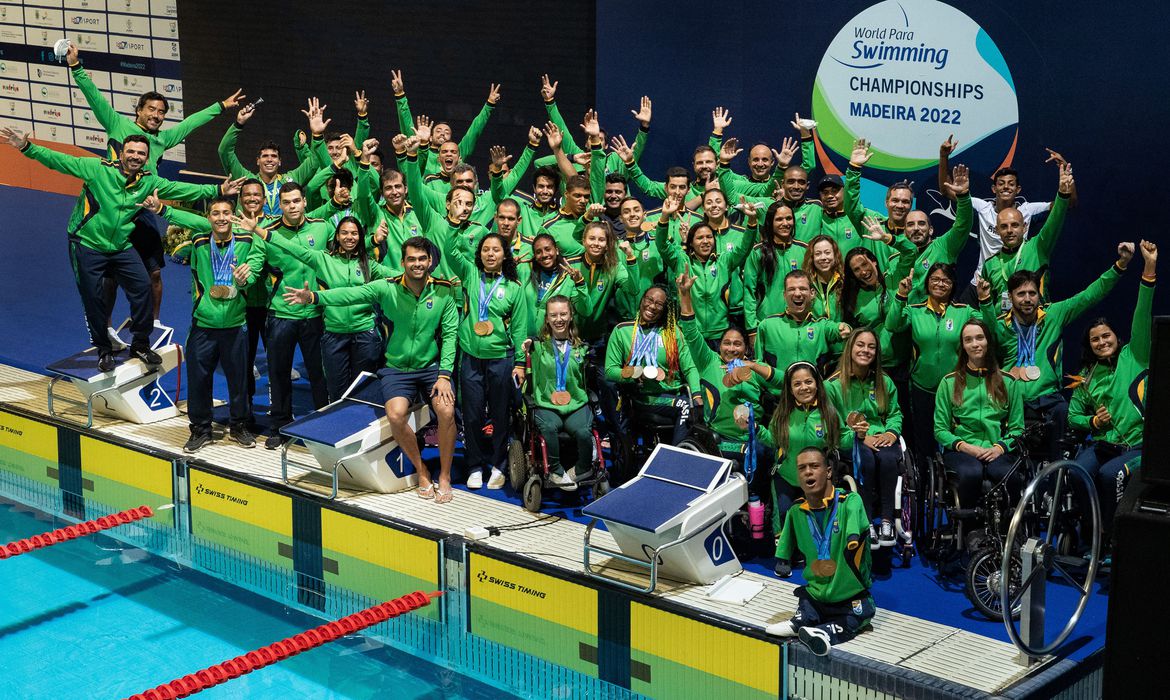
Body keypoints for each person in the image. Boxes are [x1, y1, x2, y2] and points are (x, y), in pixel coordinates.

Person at [2, 127, 240, 371]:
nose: (135, 156)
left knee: (143, 287)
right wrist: (26, 147)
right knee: (94, 298)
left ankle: (140, 343)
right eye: (131, 151)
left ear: (147, 158)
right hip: (87, 243)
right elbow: (59, 161)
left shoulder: (149, 181)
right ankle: (103, 350)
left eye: (141, 153)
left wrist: (217, 190)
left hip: (120, 247)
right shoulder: (98, 169)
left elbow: (180, 188)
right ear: (121, 153)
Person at [64, 41, 245, 330]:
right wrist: (76, 67)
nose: (156, 115)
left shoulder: (161, 139)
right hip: (111, 211)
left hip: (143, 210)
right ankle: (106, 326)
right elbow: (95, 98)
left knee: (155, 274)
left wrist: (221, 106)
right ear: (138, 110)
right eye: (151, 109)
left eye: (161, 112)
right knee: (109, 277)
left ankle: (153, 322)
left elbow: (190, 124)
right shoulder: (117, 126)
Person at [284, 236, 459, 503]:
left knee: (446, 411)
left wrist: (445, 374)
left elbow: (450, 334)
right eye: (411, 259)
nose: (417, 264)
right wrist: (314, 297)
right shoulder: (386, 288)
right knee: (396, 414)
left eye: (422, 259)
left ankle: (444, 476)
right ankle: (422, 471)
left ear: (431, 261)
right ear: (402, 262)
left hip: (431, 368)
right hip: (396, 368)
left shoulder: (444, 291)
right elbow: (350, 294)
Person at [982, 247, 1130, 461]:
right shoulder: (1000, 325)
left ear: (1039, 294)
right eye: (1021, 294)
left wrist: (1120, 266)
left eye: (1032, 293)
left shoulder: (1054, 315)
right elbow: (987, 338)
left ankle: (1057, 480)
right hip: (1013, 399)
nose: (1027, 299)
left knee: (1063, 411)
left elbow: (1090, 295)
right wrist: (986, 303)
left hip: (1048, 399)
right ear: (1011, 296)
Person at [149, 195, 264, 452]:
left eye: (226, 213)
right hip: (204, 322)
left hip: (236, 322)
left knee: (239, 379)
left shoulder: (247, 240)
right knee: (199, 378)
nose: (221, 217)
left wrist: (247, 278)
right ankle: (201, 429)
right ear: (209, 217)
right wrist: (162, 209)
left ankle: (239, 426)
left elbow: (255, 267)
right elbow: (185, 218)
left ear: (233, 216)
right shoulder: (201, 238)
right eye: (215, 213)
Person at [244, 215, 393, 403]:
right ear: (336, 236)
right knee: (337, 393)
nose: (349, 237)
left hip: (365, 335)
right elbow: (291, 248)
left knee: (363, 392)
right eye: (344, 233)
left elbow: (398, 276)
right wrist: (259, 230)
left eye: (354, 233)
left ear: (360, 237)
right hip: (333, 335)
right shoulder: (323, 260)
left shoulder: (369, 265)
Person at [1069, 241, 1156, 541]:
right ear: (1089, 345)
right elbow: (1073, 416)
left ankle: (1114, 541)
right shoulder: (1086, 376)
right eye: (1095, 339)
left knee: (1109, 476)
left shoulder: (1136, 354)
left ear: (1117, 338)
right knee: (1076, 471)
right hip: (1105, 444)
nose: (1102, 342)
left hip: (1138, 447)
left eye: (1106, 336)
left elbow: (1142, 312)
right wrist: (1093, 423)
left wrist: (1148, 268)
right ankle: (1091, 533)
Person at [439, 232, 529, 490]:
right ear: (479, 254)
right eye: (485, 250)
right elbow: (449, 249)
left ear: (505, 255)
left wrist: (520, 363)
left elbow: (521, 328)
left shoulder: (514, 288)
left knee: (501, 416)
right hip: (471, 358)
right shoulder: (470, 274)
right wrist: (455, 225)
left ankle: (500, 465)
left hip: (501, 359)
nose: (490, 254)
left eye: (496, 250)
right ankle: (475, 465)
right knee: (472, 415)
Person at [767, 446, 874, 657]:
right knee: (807, 603)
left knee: (859, 615)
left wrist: (852, 537)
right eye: (802, 468)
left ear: (828, 471)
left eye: (814, 466)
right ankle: (803, 623)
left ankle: (823, 632)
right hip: (816, 595)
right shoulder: (796, 512)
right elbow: (783, 552)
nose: (808, 472)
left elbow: (855, 522)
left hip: (850, 598)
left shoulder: (849, 503)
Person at [676, 270, 779, 485]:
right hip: (718, 440)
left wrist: (752, 366)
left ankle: (758, 510)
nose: (731, 348)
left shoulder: (753, 367)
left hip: (752, 437)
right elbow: (691, 332)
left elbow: (780, 380)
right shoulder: (709, 361)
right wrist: (685, 295)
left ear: (745, 348)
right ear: (720, 345)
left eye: (737, 343)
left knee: (770, 453)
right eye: (727, 343)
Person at [938, 136, 1075, 285]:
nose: (1006, 187)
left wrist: (1067, 174)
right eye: (1001, 183)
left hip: (1014, 284)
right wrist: (943, 157)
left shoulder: (1029, 210)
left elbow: (1068, 204)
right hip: (981, 281)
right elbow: (946, 190)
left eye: (1011, 184)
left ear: (1018, 190)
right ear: (993, 188)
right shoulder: (982, 208)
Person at [257, 182, 333, 447]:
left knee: (319, 373)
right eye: (286, 202)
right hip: (281, 315)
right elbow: (256, 264)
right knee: (278, 373)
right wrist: (244, 273)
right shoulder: (267, 234)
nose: (292, 206)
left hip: (315, 313)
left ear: (304, 202)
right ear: (280, 204)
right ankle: (279, 426)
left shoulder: (322, 227)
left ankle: (325, 425)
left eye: (296, 201)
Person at [885, 263, 978, 462]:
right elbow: (892, 324)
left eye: (946, 280)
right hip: (922, 386)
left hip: (956, 387)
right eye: (935, 279)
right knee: (924, 442)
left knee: (955, 440)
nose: (940, 284)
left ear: (953, 285)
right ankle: (925, 486)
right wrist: (901, 295)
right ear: (927, 283)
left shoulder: (964, 312)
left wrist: (986, 300)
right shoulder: (914, 311)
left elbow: (990, 330)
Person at [763, 363, 852, 566]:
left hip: (817, 479)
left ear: (817, 384)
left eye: (808, 382)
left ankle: (820, 548)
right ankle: (783, 554)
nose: (804, 387)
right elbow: (772, 440)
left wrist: (856, 433)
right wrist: (753, 428)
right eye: (797, 384)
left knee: (820, 514)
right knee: (784, 512)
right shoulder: (782, 414)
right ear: (790, 389)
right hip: (788, 474)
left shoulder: (828, 413)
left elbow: (843, 441)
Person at [934, 319, 1024, 510]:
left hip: (997, 450)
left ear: (988, 341)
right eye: (968, 340)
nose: (975, 344)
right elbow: (940, 430)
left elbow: (1017, 428)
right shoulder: (948, 383)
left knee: (1010, 476)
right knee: (971, 474)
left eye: (979, 338)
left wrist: (999, 448)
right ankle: (969, 530)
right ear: (963, 346)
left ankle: (1009, 530)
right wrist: (966, 447)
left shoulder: (1009, 382)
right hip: (962, 450)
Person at [826, 329, 904, 548]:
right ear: (850, 348)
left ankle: (887, 520)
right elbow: (832, 426)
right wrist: (859, 438)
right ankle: (867, 521)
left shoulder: (883, 381)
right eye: (860, 345)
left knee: (889, 459)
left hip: (880, 437)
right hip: (849, 440)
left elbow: (895, 413)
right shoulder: (832, 385)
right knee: (866, 460)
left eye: (871, 346)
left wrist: (891, 432)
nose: (865, 350)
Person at [604, 286, 702, 447]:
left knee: (694, 405)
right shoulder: (622, 331)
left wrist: (697, 397)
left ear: (664, 309)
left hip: (672, 393)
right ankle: (676, 458)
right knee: (685, 405)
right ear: (642, 300)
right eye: (649, 300)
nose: (652, 306)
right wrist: (635, 373)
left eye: (659, 304)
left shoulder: (672, 333)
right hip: (642, 396)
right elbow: (609, 371)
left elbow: (690, 367)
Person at [656, 196, 757, 342]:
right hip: (690, 332)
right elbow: (662, 244)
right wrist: (665, 215)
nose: (705, 241)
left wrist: (752, 220)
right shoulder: (681, 261)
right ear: (691, 242)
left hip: (721, 333)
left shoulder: (724, 261)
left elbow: (744, 248)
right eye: (699, 238)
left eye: (709, 237)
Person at [979, 163, 1074, 304]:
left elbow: (1055, 221)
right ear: (997, 231)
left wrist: (1063, 195)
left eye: (1015, 225)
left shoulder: (1037, 247)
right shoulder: (990, 264)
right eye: (1004, 227)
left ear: (1024, 227)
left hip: (1038, 321)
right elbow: (990, 310)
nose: (1010, 230)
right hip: (1004, 324)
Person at [218, 97, 329, 217]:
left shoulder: (291, 179)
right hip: (251, 234)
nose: (269, 159)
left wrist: (317, 135)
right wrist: (238, 124)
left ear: (280, 161)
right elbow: (224, 151)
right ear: (257, 161)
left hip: (282, 235)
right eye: (265, 156)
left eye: (274, 156)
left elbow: (315, 161)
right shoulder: (245, 180)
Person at [526, 296, 593, 490]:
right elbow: (525, 353)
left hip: (576, 404)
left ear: (571, 316)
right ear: (546, 319)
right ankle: (555, 471)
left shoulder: (582, 348)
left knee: (583, 432)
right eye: (553, 315)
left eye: (563, 314)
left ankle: (580, 469)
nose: (559, 319)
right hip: (547, 404)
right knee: (548, 428)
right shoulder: (537, 346)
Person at [754, 270, 851, 373]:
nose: (797, 294)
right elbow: (758, 365)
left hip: (812, 388)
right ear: (784, 294)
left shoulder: (821, 326)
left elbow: (836, 329)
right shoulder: (767, 326)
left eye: (803, 289)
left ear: (812, 293)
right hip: (778, 388)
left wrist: (846, 327)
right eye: (791, 289)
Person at [744, 202, 807, 330]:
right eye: (779, 219)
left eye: (789, 218)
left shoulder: (804, 250)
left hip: (800, 323)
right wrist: (752, 328)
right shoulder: (758, 252)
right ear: (770, 223)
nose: (785, 223)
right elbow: (749, 291)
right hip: (766, 323)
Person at [521, 233, 577, 331]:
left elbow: (586, 311)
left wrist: (580, 284)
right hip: (525, 337)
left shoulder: (568, 277)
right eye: (538, 252)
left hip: (552, 339)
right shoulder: (527, 271)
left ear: (557, 251)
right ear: (534, 255)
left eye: (548, 249)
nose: (544, 255)